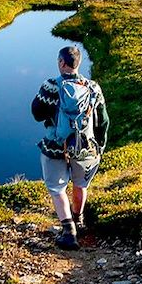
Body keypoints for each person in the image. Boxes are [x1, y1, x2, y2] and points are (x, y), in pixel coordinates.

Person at [31, 45, 110, 250]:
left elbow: (37, 114)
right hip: (84, 147)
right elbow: (103, 121)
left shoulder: (50, 86)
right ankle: (79, 220)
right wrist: (99, 146)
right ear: (79, 63)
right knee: (80, 184)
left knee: (57, 188)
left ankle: (68, 232)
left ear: (61, 63)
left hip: (56, 147)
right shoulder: (93, 87)